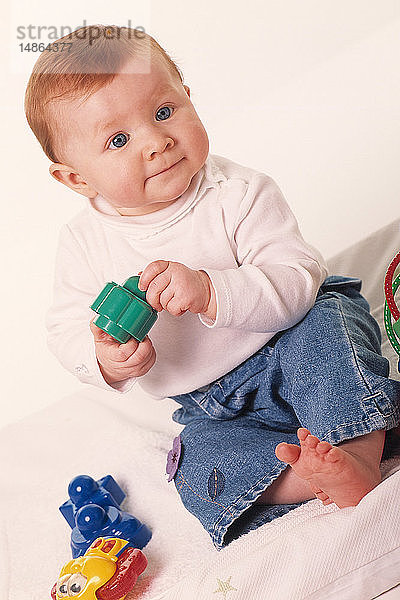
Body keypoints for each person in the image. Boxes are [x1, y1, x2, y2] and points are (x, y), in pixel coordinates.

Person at [25, 24, 400, 549]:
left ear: (189, 99)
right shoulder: (85, 244)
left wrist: (210, 290)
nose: (157, 142)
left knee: (330, 321)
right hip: (210, 405)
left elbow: (295, 278)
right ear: (75, 179)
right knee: (196, 467)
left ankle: (358, 450)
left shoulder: (238, 192)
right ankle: (309, 478)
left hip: (287, 346)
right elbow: (65, 328)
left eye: (163, 112)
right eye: (118, 140)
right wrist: (104, 358)